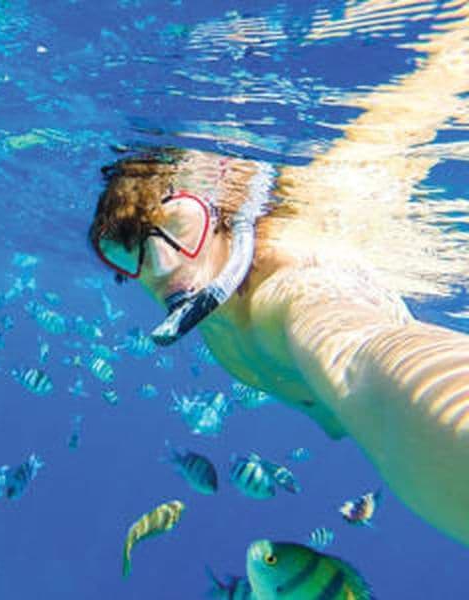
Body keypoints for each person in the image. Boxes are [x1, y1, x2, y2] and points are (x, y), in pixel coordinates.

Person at [88, 5, 469, 547]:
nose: (161, 269)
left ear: (222, 211)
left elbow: (365, 358)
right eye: (125, 252)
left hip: (349, 187)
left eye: (178, 226)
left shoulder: (290, 287)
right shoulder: (208, 292)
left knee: (439, 78)